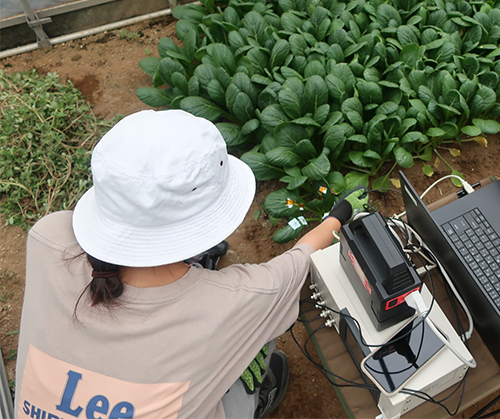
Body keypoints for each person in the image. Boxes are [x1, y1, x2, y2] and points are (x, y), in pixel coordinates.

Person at [14, 109, 358, 418]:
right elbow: (299, 260)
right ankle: (253, 398)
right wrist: (337, 216)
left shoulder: (46, 238)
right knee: (257, 337)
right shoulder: (233, 301)